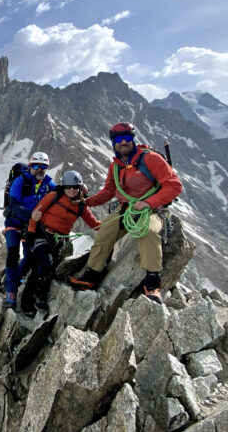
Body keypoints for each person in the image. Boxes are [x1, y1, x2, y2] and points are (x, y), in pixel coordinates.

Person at [68, 122, 182, 303]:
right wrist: (86, 202)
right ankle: (91, 275)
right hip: (125, 210)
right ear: (113, 143)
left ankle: (152, 282)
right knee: (104, 233)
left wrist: (148, 203)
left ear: (133, 139)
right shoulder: (116, 167)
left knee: (149, 233)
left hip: (152, 210)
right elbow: (108, 192)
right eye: (118, 140)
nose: (123, 142)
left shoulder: (151, 159)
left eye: (127, 138)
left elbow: (175, 185)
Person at [20, 170, 100, 316]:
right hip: (42, 234)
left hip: (58, 241)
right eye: (68, 187)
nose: (71, 190)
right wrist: (31, 232)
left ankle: (33, 298)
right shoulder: (53, 196)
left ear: (79, 187)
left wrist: (115, 224)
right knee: (45, 263)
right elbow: (36, 213)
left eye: (75, 187)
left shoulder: (81, 206)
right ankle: (33, 298)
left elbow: (94, 224)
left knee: (46, 268)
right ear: (63, 186)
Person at [3, 152, 56, 309]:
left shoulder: (48, 184)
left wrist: (79, 189)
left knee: (30, 257)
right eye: (36, 166)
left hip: (30, 226)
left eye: (43, 167)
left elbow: (61, 193)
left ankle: (12, 279)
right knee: (13, 253)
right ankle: (11, 292)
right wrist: (30, 214)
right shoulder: (21, 181)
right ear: (31, 166)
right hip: (14, 221)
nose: (39, 170)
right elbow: (13, 205)